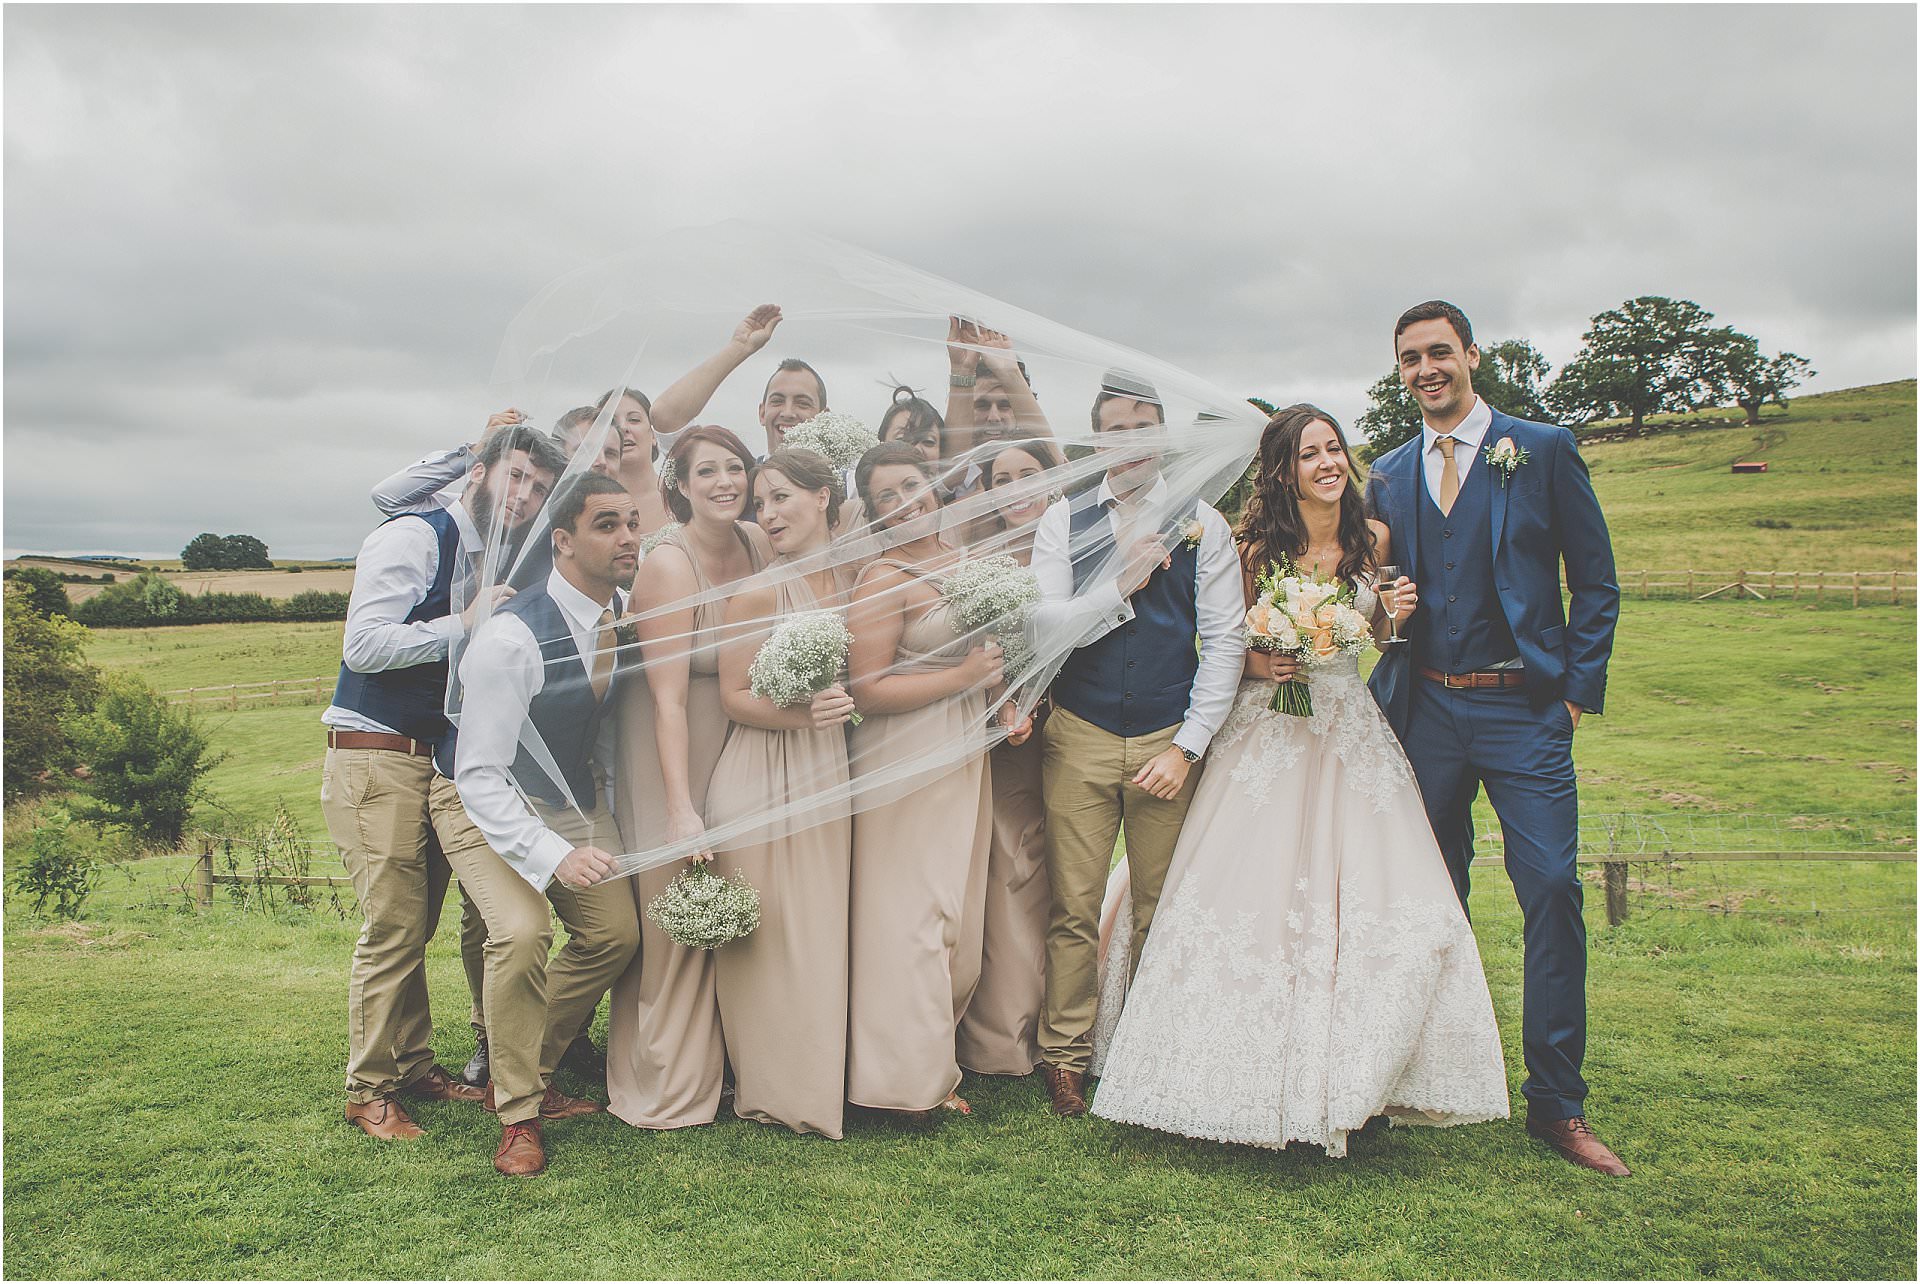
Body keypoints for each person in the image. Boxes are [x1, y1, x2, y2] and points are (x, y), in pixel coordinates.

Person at [1091, 404, 1510, 1153]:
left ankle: (1365, 1064)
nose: (1326, 463)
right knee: (1249, 890)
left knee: (1384, 893)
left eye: (1333, 449)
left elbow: (1382, 638)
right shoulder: (1252, 548)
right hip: (1268, 732)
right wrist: (1266, 661)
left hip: (1348, 724)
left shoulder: (1372, 537)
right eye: (1309, 453)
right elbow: (1223, 639)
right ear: (1282, 471)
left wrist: (1390, 615)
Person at [1364, 300, 1625, 1176]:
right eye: (1410, 358)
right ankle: (1414, 1079)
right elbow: (1375, 590)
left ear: (1472, 355)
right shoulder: (1389, 473)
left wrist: (1575, 699)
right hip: (1426, 710)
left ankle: (1558, 1106)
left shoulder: (1539, 449)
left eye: (1440, 351)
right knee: (1426, 898)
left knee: (1551, 888)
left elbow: (1595, 581)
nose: (1426, 369)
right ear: (1400, 371)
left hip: (1526, 712)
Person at [322, 424, 562, 1139]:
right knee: (394, 926)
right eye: (515, 476)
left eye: (540, 489)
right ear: (480, 471)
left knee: (420, 919)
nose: (524, 497)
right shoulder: (415, 536)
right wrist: (463, 623)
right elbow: (363, 646)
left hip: (427, 756)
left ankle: (415, 1064)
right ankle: (368, 1090)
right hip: (376, 751)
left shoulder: (489, 550)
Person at [1026, 373, 1243, 1118]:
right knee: (1073, 909)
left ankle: (1152, 1053)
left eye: (1142, 427)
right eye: (1114, 428)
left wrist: (1188, 746)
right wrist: (1118, 584)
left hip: (1165, 737)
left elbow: (1224, 643)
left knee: (1161, 908)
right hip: (1079, 734)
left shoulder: (1203, 523)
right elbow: (1044, 627)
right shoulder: (1063, 519)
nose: (1128, 442)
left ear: (1164, 438)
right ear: (1097, 440)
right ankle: (1064, 1057)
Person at [450, 469, 645, 1175]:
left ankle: (521, 1068)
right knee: (524, 931)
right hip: (481, 797)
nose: (627, 536)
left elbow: (600, 728)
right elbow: (477, 771)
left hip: (571, 795)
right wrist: (551, 854)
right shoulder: (511, 638)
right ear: (562, 542)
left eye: (631, 521)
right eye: (606, 524)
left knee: (615, 934)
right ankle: (520, 1116)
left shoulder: (623, 613)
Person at [605, 425, 773, 1129]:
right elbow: (666, 697)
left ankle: (737, 1060)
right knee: (676, 895)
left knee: (737, 887)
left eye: (734, 467)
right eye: (707, 471)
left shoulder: (760, 542)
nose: (724, 482)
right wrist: (679, 805)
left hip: (745, 739)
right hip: (669, 745)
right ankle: (666, 1078)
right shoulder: (668, 566)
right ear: (678, 483)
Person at [844, 443, 1005, 1121]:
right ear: (874, 512)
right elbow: (867, 689)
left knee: (958, 910)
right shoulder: (883, 577)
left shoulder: (961, 560)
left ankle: (935, 1059)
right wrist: (962, 681)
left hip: (965, 746)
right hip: (903, 755)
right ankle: (905, 1083)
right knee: (912, 914)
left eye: (913, 485)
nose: (906, 501)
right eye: (887, 496)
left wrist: (1002, 700)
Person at [703, 447, 860, 1138]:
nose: (766, 514)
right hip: (761, 775)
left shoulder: (854, 580)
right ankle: (771, 1089)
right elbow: (734, 698)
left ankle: (820, 1080)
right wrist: (804, 714)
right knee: (769, 940)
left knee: (818, 930)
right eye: (759, 504)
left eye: (780, 498)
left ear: (824, 496)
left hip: (826, 774)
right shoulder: (759, 591)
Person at [955, 439, 1063, 1078]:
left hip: (1083, 724)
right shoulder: (980, 563)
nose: (1018, 488)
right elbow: (973, 646)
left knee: (1072, 878)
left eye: (1031, 475)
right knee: (1016, 873)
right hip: (1012, 733)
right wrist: (1005, 700)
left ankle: (1073, 1016)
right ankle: (1005, 1034)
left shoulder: (1083, 546)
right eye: (1003, 479)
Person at [646, 305, 813, 460]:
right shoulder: (739, 481)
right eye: (777, 401)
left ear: (824, 416)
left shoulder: (839, 482)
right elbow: (665, 416)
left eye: (803, 403)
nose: (788, 413)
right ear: (762, 413)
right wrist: (739, 347)